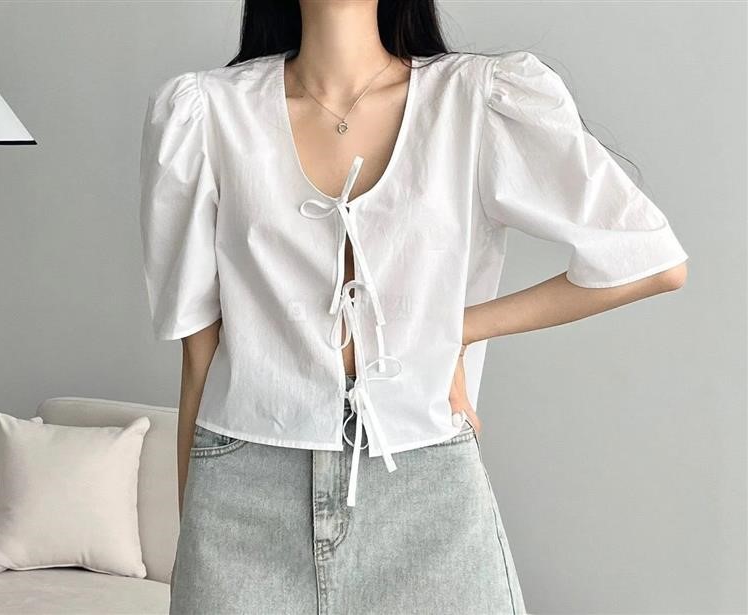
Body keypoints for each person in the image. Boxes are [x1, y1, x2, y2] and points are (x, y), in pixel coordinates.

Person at [139, 2, 689, 613]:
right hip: (242, 491)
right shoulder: (205, 112)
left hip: (426, 492)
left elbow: (650, 260)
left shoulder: (476, 99)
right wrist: (192, 536)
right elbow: (199, 356)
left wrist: (455, 332)